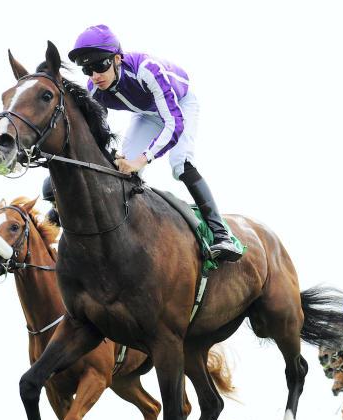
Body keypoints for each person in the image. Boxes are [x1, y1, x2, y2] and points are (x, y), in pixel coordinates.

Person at [54, 24, 241, 262]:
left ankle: (221, 233)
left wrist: (141, 159)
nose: (95, 76)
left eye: (100, 66)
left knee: (180, 163)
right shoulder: (94, 90)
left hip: (180, 106)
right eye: (87, 69)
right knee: (122, 172)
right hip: (146, 114)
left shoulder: (147, 70)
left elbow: (174, 123)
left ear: (117, 59)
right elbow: (96, 134)